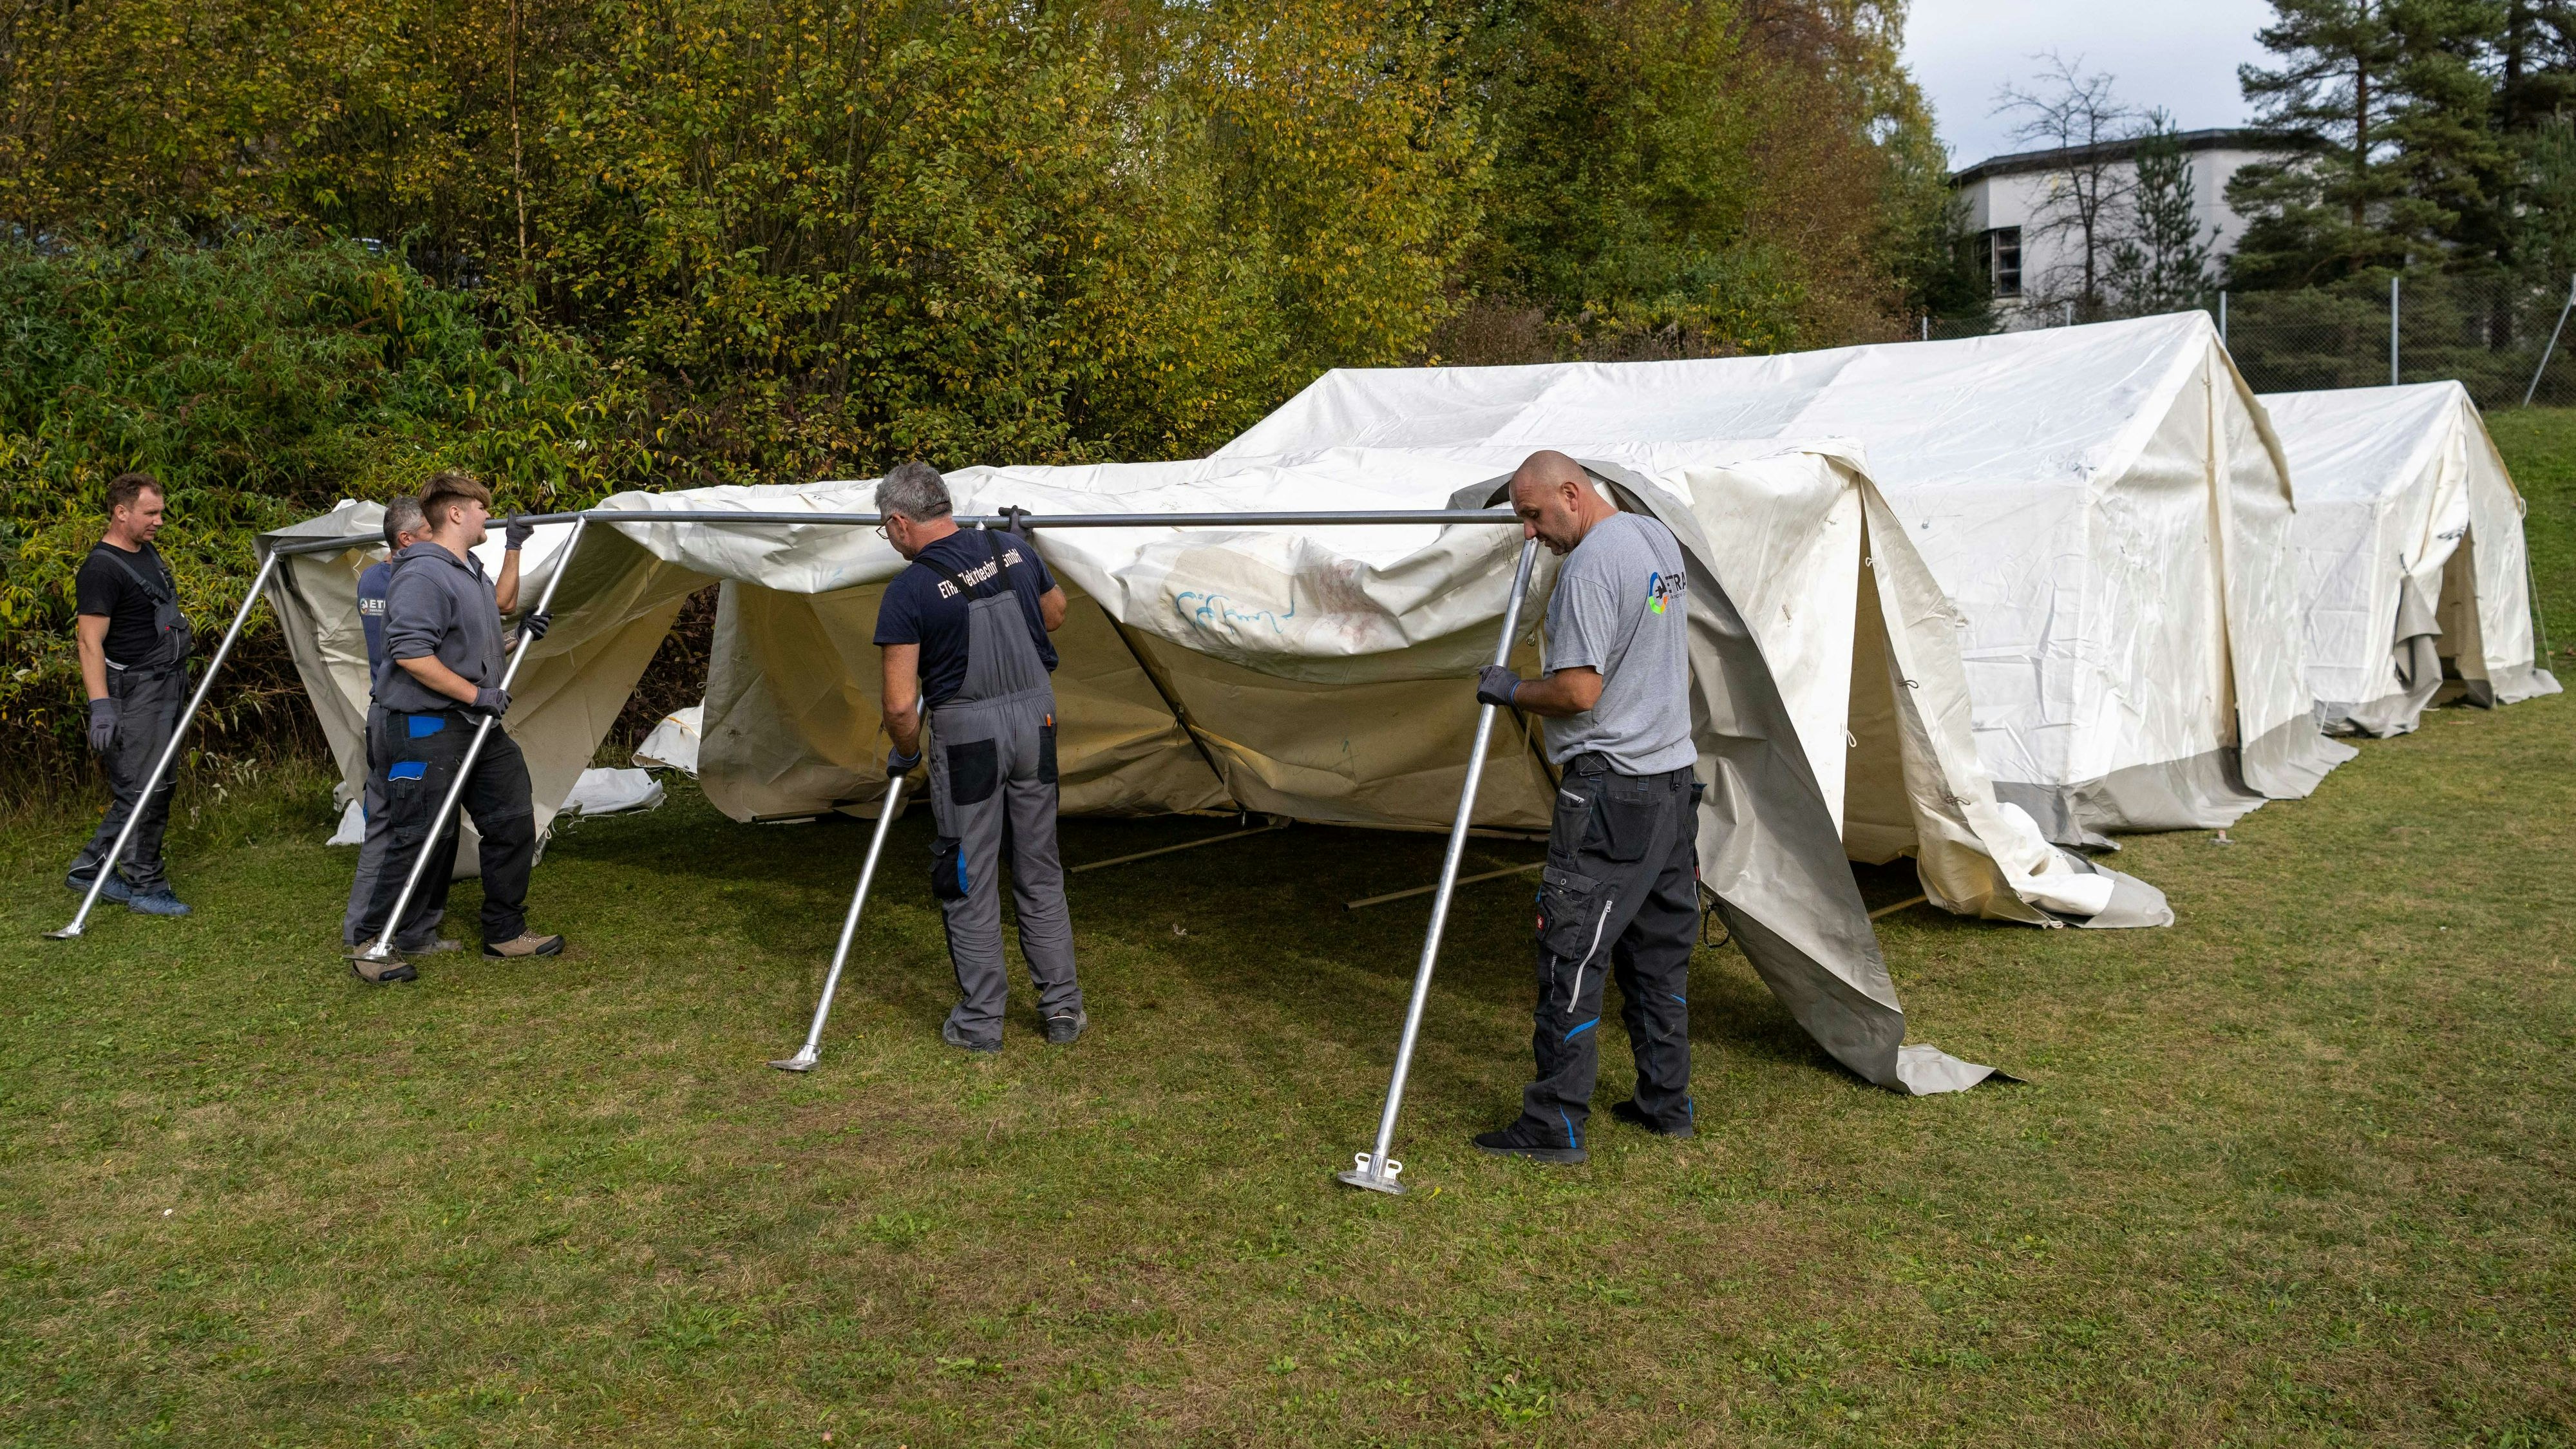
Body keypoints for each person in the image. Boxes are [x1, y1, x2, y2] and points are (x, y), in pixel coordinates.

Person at [1469, 450, 1700, 1164]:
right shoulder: (1652, 536)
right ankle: (1667, 1104)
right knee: (1657, 957)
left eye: (1535, 516)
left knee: (1571, 950)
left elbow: (1576, 692)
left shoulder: (1591, 568)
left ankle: (1554, 1125)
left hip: (1612, 788)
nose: (1532, 534)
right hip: (1671, 781)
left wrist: (1508, 688)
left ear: (1571, 494)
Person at [873, 462, 1086, 1051]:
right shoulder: (1011, 548)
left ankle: (981, 1022)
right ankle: (1062, 1010)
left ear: (899, 523)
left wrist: (907, 753)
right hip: (1036, 725)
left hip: (969, 740)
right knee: (1040, 868)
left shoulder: (909, 590)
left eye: (883, 531)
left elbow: (898, 707)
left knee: (967, 876)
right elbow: (1056, 614)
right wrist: (1020, 563)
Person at [352, 471, 559, 982]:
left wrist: (513, 639)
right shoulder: (423, 574)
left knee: (511, 819)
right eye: (482, 507)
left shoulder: (467, 570)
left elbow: (468, 642)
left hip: (477, 727)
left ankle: (504, 932)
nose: (488, 514)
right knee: (417, 836)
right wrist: (478, 695)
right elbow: (411, 653)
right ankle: (373, 944)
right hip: (424, 724)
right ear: (456, 513)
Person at [64, 472, 196, 916]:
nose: (160, 520)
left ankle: (90, 868)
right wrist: (101, 706)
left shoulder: (144, 551)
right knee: (147, 788)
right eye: (151, 513)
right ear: (121, 513)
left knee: (147, 786)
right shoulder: (101, 569)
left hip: (165, 684)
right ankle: (145, 885)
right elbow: (88, 642)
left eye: (161, 511)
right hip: (134, 693)